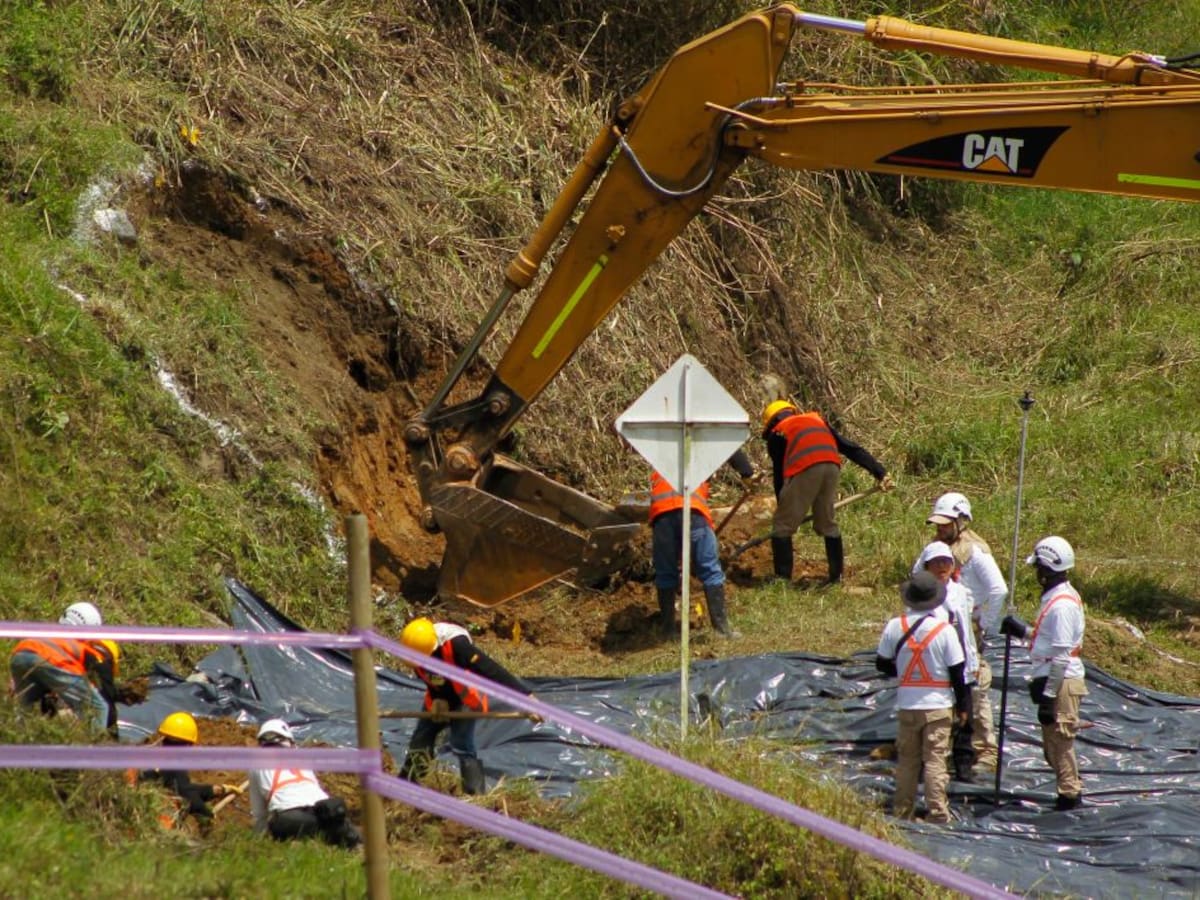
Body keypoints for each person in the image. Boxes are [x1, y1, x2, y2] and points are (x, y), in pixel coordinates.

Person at [398, 617, 537, 795]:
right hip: (440, 694)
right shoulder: (415, 648)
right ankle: (408, 785)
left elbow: (492, 670)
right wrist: (438, 699)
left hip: (465, 696)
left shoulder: (458, 646)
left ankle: (475, 795)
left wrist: (525, 697)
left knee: (461, 743)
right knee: (422, 736)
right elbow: (430, 677)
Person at [760, 400, 892, 585]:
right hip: (831, 467)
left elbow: (779, 474)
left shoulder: (779, 432)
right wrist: (880, 472)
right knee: (827, 523)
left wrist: (783, 504)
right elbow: (850, 448)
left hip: (805, 469)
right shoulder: (816, 421)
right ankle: (836, 577)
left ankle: (782, 580)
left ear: (771, 422)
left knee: (782, 526)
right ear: (792, 411)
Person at [875, 571, 971, 824]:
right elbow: (957, 672)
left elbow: (882, 664)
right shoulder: (945, 631)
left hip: (908, 704)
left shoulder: (895, 626)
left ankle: (902, 811)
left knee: (907, 761)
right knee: (935, 761)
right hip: (938, 705)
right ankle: (937, 812)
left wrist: (907, 672)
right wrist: (963, 707)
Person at [1000, 535, 1087, 811]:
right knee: (1051, 745)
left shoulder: (1062, 606)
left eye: (1039, 567)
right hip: (1052, 675)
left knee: (1060, 743)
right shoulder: (1055, 598)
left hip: (1060, 680)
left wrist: (1049, 695)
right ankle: (1068, 789)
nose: (1036, 573)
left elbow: (1062, 654)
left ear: (1047, 570)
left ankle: (1069, 797)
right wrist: (1023, 631)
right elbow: (1047, 640)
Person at [918, 492, 1004, 772]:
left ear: (961, 521)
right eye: (938, 524)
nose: (940, 529)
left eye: (946, 523)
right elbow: (915, 575)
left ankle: (985, 750)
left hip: (966, 629)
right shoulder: (938, 547)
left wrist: (983, 623)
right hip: (939, 626)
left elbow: (998, 590)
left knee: (975, 687)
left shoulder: (975, 551)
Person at [649, 448, 755, 639]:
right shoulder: (699, 453)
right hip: (694, 512)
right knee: (710, 569)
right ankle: (722, 629)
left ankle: (668, 631)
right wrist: (747, 474)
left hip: (661, 516)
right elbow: (729, 446)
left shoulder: (662, 456)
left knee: (665, 572)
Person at [917, 540, 980, 783]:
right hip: (936, 665)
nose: (942, 566)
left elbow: (968, 624)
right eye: (936, 563)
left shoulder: (961, 592)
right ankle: (929, 766)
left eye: (946, 562)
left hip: (962, 661)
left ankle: (963, 765)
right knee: (934, 717)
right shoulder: (923, 594)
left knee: (966, 717)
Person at [249, 718, 362, 847]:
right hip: (324, 812)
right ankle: (351, 842)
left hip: (288, 819)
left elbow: (259, 813)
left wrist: (257, 838)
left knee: (321, 828)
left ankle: (320, 841)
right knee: (338, 828)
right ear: (290, 742)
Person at [9, 601, 114, 734]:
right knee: (99, 708)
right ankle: (93, 750)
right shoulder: (84, 647)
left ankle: (16, 742)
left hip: (20, 654)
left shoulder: (48, 632)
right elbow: (93, 685)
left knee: (25, 709)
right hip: (53, 661)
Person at [137, 712, 243, 826]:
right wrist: (208, 815)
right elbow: (189, 798)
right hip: (154, 825)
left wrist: (217, 789)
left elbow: (184, 787)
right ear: (187, 746)